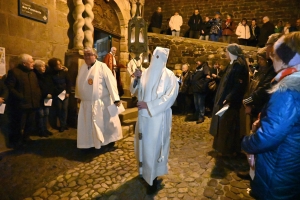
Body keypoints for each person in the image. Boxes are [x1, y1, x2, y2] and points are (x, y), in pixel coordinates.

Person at [241, 32, 300, 200]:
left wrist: (246, 143)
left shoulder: (288, 89)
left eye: (275, 55)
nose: (271, 58)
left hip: (279, 168)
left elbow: (269, 136)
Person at [130, 47, 178, 194]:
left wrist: (149, 105)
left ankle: (153, 179)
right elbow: (135, 91)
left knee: (154, 149)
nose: (156, 59)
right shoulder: (144, 73)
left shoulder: (170, 76)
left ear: (164, 59)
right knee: (143, 147)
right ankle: (143, 172)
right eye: (154, 56)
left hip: (158, 118)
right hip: (143, 118)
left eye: (160, 57)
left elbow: (170, 97)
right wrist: (136, 79)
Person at [75, 47, 123, 150]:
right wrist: (78, 95)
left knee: (106, 124)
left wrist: (116, 98)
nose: (87, 57)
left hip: (102, 102)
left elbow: (111, 82)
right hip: (87, 103)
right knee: (89, 125)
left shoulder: (102, 67)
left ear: (95, 56)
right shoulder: (82, 67)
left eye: (89, 54)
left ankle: (109, 141)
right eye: (85, 55)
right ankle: (91, 143)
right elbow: (79, 82)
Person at [210, 44, 249, 156]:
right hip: (226, 99)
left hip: (231, 102)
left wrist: (229, 98)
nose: (226, 54)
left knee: (228, 125)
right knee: (224, 125)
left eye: (227, 52)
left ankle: (228, 150)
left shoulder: (239, 66)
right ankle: (224, 148)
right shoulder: (232, 64)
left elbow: (238, 85)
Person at [5, 54, 41, 147]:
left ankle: (26, 138)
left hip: (32, 103)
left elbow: (36, 86)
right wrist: (20, 96)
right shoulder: (14, 72)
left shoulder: (32, 73)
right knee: (18, 124)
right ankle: (16, 142)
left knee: (30, 123)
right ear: (24, 63)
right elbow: (10, 87)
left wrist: (37, 96)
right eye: (31, 62)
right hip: (21, 104)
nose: (33, 63)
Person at [243, 47, 276, 125]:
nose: (259, 61)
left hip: (260, 107)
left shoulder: (270, 73)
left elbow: (263, 90)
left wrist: (249, 101)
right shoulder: (259, 71)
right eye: (259, 59)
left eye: (262, 59)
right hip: (254, 104)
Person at [48, 57, 71, 132]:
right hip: (57, 94)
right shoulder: (51, 74)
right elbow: (51, 85)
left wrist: (67, 92)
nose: (60, 65)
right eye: (58, 64)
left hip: (65, 93)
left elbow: (68, 82)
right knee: (59, 109)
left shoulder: (64, 72)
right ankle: (61, 125)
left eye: (60, 63)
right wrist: (57, 92)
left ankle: (64, 124)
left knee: (65, 109)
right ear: (54, 66)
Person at [34, 60, 54, 137]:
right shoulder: (35, 75)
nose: (43, 68)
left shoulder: (46, 75)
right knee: (40, 114)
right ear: (37, 68)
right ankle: (41, 130)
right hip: (40, 98)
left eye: (44, 66)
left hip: (47, 98)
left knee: (46, 113)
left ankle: (45, 129)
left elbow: (50, 84)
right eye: (41, 66)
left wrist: (50, 93)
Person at [190, 57, 211, 123]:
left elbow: (208, 77)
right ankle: (197, 115)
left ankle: (201, 117)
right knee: (196, 103)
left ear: (201, 61)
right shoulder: (198, 68)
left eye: (198, 61)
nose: (197, 62)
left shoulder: (205, 67)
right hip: (196, 88)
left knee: (200, 103)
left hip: (201, 89)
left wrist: (203, 85)